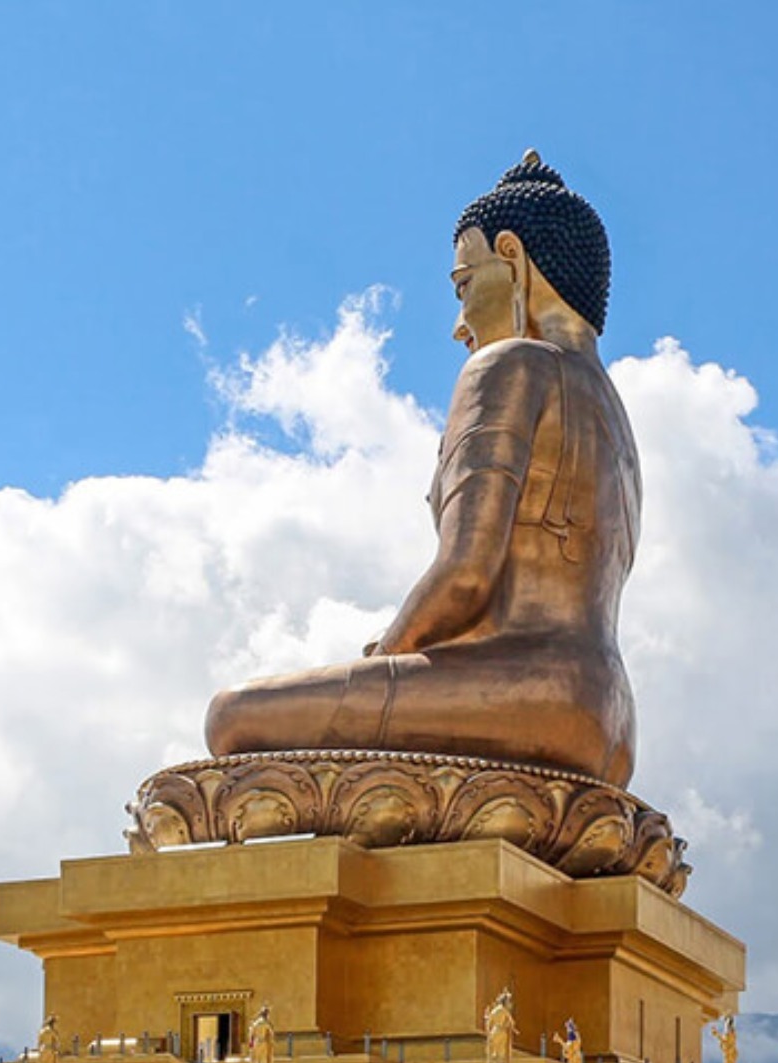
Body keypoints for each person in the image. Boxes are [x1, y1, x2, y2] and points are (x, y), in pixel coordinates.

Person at [204, 152, 641, 788]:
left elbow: (466, 574)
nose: (461, 327)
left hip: (526, 689)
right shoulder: (615, 414)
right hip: (613, 722)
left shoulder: (511, 365)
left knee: (232, 718)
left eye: (465, 286)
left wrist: (387, 653)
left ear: (512, 258)